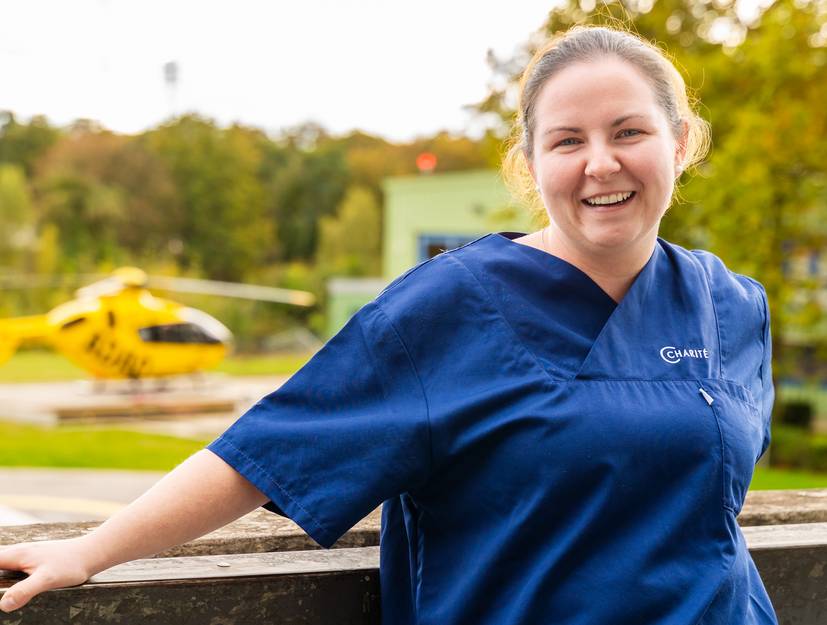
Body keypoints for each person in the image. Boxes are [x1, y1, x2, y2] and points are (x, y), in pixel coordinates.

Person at [0, 25, 776, 624]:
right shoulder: (451, 306)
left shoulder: (731, 307)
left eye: (628, 132)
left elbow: (701, 506)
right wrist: (89, 550)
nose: (599, 163)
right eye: (567, 140)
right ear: (531, 162)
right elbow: (271, 450)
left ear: (678, 142)